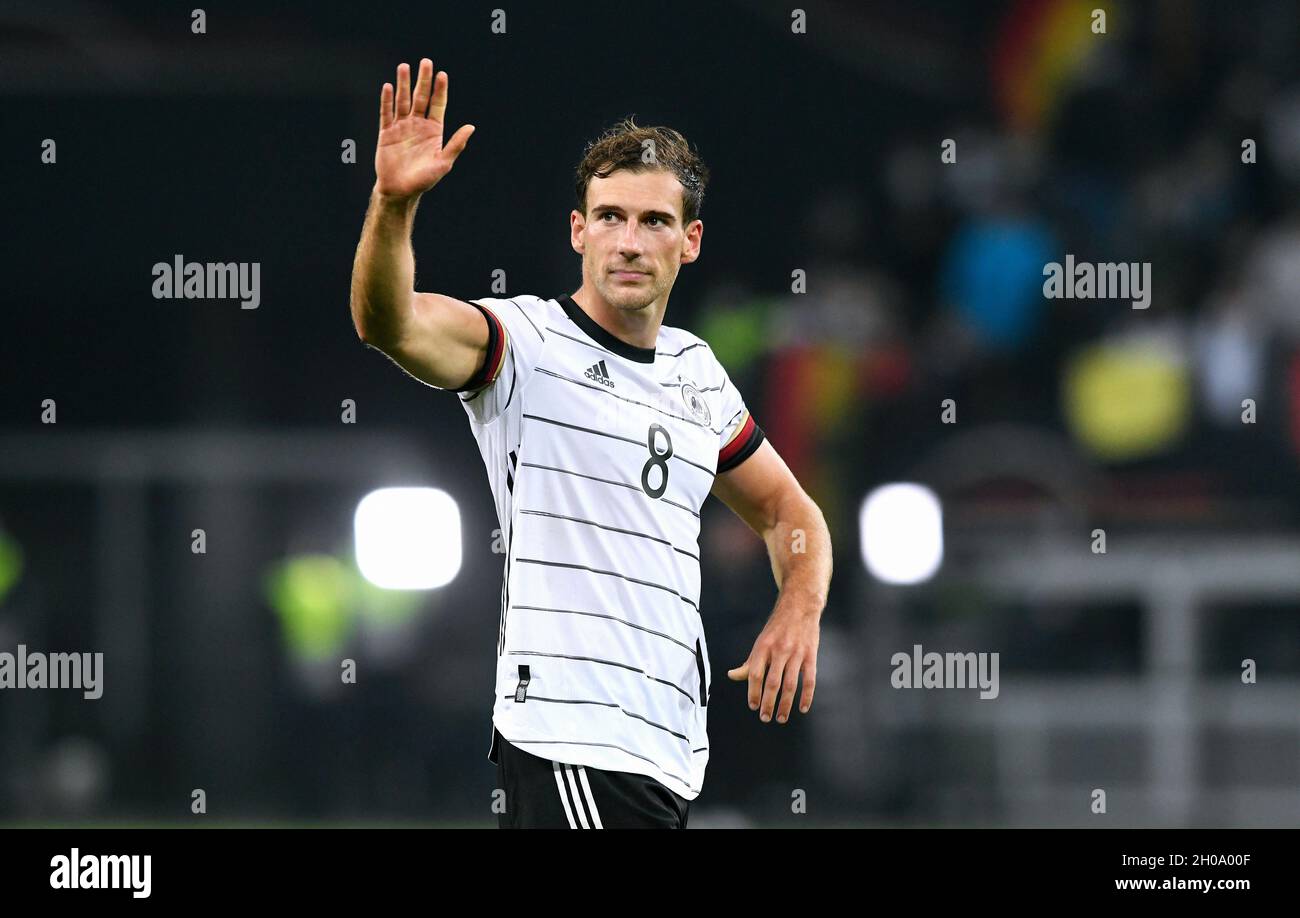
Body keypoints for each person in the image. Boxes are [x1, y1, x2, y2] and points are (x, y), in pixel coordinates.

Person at [349, 58, 832, 828]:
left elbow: (788, 512)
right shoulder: (526, 343)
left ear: (692, 240)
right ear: (578, 230)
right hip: (572, 740)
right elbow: (389, 322)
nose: (629, 241)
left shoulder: (696, 372)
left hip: (664, 751)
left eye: (654, 221)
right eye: (609, 216)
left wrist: (800, 605)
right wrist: (393, 204)